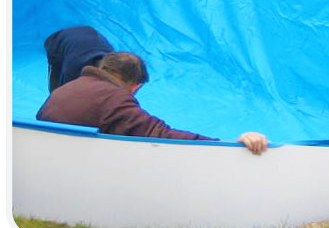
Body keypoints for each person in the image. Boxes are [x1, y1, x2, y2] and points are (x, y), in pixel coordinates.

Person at [37, 51, 268, 155]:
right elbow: (159, 134)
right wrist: (224, 145)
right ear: (135, 86)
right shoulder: (112, 98)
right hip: (72, 166)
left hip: (46, 155)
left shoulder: (67, 87)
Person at [44, 26, 114, 92]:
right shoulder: (73, 66)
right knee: (58, 88)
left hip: (88, 36)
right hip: (56, 42)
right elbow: (65, 92)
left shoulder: (114, 60)